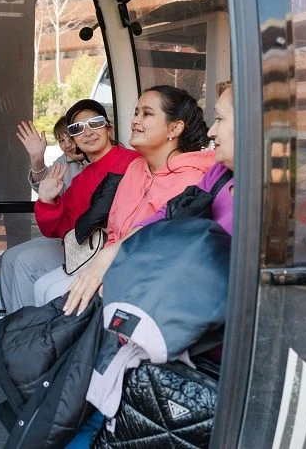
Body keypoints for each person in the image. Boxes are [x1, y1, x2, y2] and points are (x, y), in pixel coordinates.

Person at [63, 81, 234, 448]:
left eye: (221, 120)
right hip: (159, 296)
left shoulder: (259, 193)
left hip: (200, 336)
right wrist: (110, 257)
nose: (213, 131)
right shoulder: (217, 176)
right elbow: (165, 217)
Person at [33, 85, 215, 307]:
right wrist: (47, 199)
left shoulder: (190, 181)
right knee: (43, 289)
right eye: (136, 113)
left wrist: (109, 271)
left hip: (148, 283)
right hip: (110, 262)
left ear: (174, 128)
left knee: (53, 295)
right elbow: (112, 232)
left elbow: (164, 252)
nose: (135, 121)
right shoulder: (136, 169)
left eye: (146, 114)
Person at [0, 100, 140, 314]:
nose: (88, 132)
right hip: (85, 251)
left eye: (95, 123)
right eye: (78, 129)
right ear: (74, 140)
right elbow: (58, 228)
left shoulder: (135, 161)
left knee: (36, 276)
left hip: (121, 253)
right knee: (27, 271)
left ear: (108, 127)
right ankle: (21, 327)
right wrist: (47, 201)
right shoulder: (81, 179)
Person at [17, 117, 86, 194]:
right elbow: (44, 186)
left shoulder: (96, 157)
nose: (67, 145)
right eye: (61, 140)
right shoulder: (62, 163)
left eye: (70, 137)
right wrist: (37, 158)